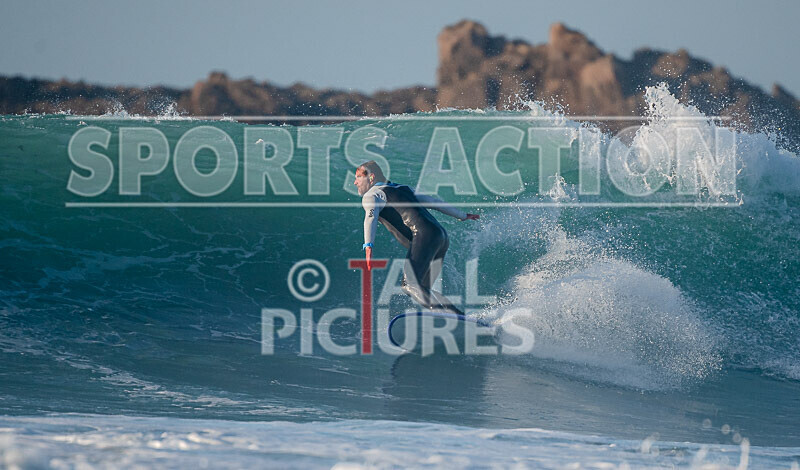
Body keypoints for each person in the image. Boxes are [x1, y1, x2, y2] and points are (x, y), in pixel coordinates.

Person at [354, 161, 479, 316]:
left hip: (423, 235)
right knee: (423, 289)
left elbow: (370, 217)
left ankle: (446, 316)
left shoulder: (372, 194)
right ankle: (460, 317)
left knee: (409, 285)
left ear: (371, 177)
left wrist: (368, 246)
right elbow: (434, 202)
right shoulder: (403, 188)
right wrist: (462, 215)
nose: (355, 182)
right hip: (440, 236)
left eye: (358, 177)